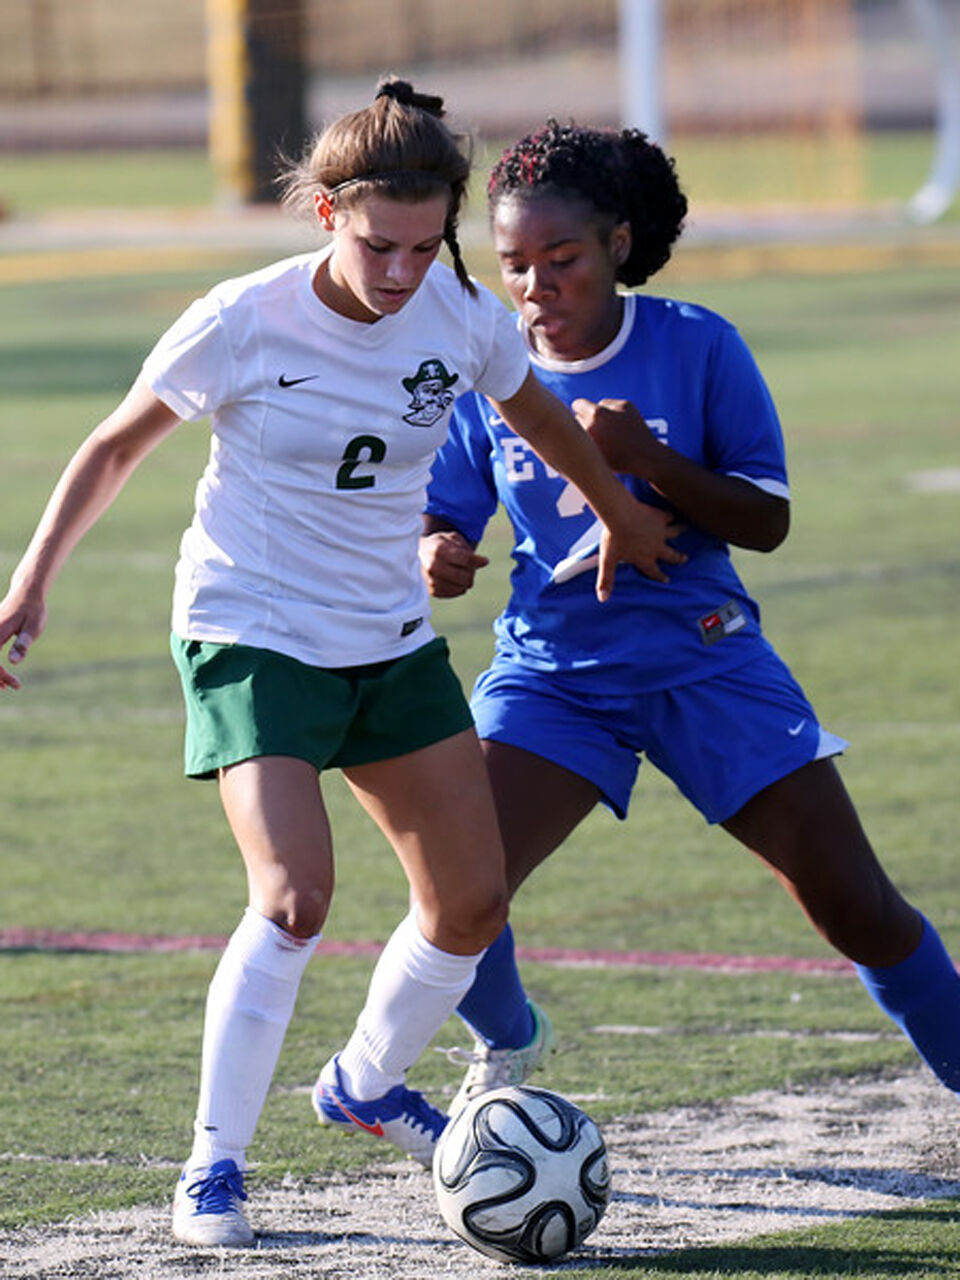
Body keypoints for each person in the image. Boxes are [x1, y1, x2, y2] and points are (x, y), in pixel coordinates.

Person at [0, 88, 683, 1249]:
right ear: (327, 212)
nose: (404, 271)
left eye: (427, 247)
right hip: (252, 630)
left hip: (389, 635)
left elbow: (537, 416)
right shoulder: (243, 318)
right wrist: (27, 584)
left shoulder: (461, 315)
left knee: (469, 903)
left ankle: (365, 1082)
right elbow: (114, 444)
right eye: (379, 245)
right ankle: (211, 1165)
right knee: (294, 896)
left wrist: (616, 507)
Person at [420, 119, 960, 1120]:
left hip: (706, 664)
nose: (535, 285)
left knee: (856, 905)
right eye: (513, 264)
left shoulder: (698, 343)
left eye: (561, 258)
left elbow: (768, 520)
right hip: (554, 678)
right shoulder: (486, 368)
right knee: (459, 884)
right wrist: (436, 550)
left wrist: (650, 462)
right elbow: (444, 510)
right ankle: (507, 1038)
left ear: (618, 244)